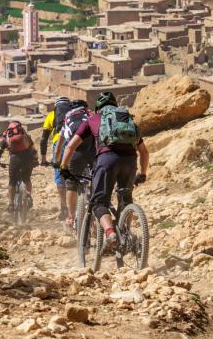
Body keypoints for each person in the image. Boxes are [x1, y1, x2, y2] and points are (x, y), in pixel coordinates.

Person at [60, 92, 149, 249]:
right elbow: (144, 152)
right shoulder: (126, 119)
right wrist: (142, 173)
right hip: (130, 160)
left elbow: (70, 146)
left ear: (98, 108)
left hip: (106, 160)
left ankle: (110, 233)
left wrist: (64, 167)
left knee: (99, 202)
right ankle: (126, 233)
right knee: (126, 199)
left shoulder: (92, 120)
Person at [53, 99, 95, 229]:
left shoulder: (67, 118)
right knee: (95, 180)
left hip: (76, 153)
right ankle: (95, 216)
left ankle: (71, 217)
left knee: (71, 184)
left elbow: (60, 145)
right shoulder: (90, 114)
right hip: (92, 151)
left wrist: (58, 162)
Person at [40, 96, 72, 220]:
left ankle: (64, 207)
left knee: (60, 176)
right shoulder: (75, 114)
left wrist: (43, 159)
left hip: (59, 145)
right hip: (75, 143)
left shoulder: (51, 115)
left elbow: (43, 139)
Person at [0, 121, 37, 213]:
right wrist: (35, 160)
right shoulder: (26, 135)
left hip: (15, 159)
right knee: (27, 179)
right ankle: (28, 196)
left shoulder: (7, 136)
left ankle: (11, 204)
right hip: (27, 158)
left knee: (12, 182)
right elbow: (33, 150)